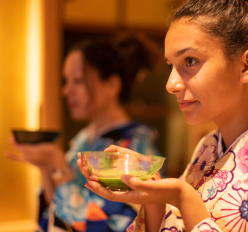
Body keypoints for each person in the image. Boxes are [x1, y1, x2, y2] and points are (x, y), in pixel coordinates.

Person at [77, 0, 248, 231]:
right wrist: (155, 198)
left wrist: (184, 198)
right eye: (171, 65)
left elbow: (186, 206)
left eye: (190, 61)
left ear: (247, 66)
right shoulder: (208, 148)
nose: (171, 84)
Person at [5, 34, 163, 232]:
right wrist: (46, 167)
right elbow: (57, 210)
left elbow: (104, 222)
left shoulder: (133, 147)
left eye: (78, 80)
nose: (66, 90)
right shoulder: (84, 138)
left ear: (112, 85)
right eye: (66, 80)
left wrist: (57, 161)